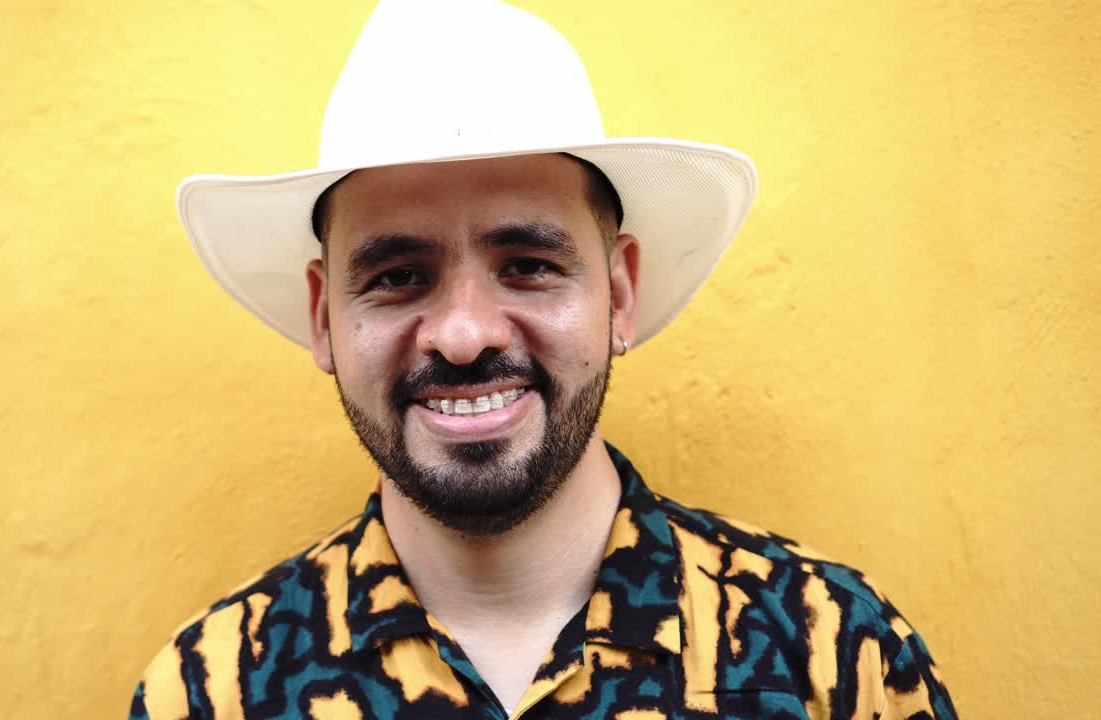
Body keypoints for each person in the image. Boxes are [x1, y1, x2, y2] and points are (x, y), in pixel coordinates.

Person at [130, 1, 957, 718]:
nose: (463, 335)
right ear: (324, 316)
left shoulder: (838, 660)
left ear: (620, 294)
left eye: (527, 264)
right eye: (397, 277)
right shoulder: (212, 693)